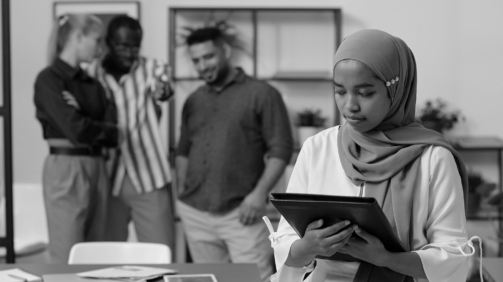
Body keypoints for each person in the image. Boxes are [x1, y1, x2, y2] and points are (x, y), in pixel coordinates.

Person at [270, 29, 472, 282]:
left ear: (396, 91)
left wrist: (386, 259)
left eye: (365, 93)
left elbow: (453, 258)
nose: (350, 105)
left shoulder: (433, 158)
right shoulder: (317, 148)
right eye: (340, 91)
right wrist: (306, 248)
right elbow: (287, 238)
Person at [175, 26, 293, 282]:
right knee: (210, 279)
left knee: (253, 279)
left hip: (241, 213)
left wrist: (258, 195)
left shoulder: (262, 94)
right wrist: (182, 192)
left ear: (225, 51)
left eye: (208, 57)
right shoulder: (193, 100)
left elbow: (281, 149)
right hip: (195, 212)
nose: (202, 66)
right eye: (196, 60)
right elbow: (183, 149)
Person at [34, 14, 119, 263]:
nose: (101, 48)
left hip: (97, 167)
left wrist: (80, 113)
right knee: (67, 255)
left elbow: (114, 130)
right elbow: (76, 129)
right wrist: (90, 123)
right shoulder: (48, 79)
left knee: (96, 255)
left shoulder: (93, 84)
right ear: (78, 37)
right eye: (97, 39)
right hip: (65, 169)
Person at [86, 15, 175, 248]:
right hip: (107, 177)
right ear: (108, 43)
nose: (129, 52)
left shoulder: (152, 67)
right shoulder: (91, 73)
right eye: (123, 45)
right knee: (106, 255)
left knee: (161, 252)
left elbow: (163, 85)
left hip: (149, 175)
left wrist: (161, 91)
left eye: (135, 46)